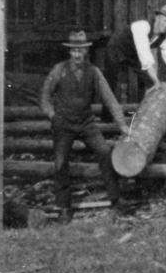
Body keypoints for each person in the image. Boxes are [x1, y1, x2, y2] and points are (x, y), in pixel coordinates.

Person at [40, 30, 131, 221]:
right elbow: (45, 97)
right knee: (60, 163)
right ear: (69, 51)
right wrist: (53, 116)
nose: (77, 54)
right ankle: (64, 207)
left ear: (86, 51)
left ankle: (115, 198)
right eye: (74, 50)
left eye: (80, 50)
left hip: (86, 123)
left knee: (105, 152)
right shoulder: (59, 70)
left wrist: (122, 125)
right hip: (63, 124)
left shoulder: (94, 72)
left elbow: (110, 99)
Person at [104, 4, 166, 103]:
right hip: (116, 48)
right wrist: (157, 82)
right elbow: (146, 59)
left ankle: (145, 108)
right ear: (157, 18)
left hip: (133, 55)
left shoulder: (164, 38)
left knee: (150, 82)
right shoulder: (143, 26)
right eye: (164, 20)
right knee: (110, 83)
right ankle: (107, 112)